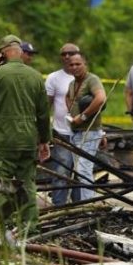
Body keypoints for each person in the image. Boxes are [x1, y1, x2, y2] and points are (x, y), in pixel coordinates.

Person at [0, 34, 51, 236]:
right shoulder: (36, 76)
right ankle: (29, 227)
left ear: (2, 53)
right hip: (28, 141)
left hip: (3, 141)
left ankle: (1, 226)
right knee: (27, 184)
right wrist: (44, 140)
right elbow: (43, 113)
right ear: (21, 52)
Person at [61, 53, 107, 203]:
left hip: (89, 132)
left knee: (83, 170)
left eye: (78, 64)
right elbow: (67, 97)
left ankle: (88, 205)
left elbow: (101, 98)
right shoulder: (72, 84)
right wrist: (71, 112)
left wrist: (83, 117)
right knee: (78, 170)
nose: (74, 67)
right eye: (71, 65)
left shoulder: (92, 79)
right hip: (76, 132)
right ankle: (82, 202)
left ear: (85, 64)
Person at [45, 43, 78, 207]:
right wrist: (42, 132)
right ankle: (59, 206)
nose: (67, 56)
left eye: (71, 53)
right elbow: (46, 106)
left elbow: (96, 107)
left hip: (82, 134)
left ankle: (81, 206)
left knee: (81, 172)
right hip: (62, 133)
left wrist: (100, 132)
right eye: (64, 54)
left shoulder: (88, 78)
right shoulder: (54, 78)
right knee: (61, 171)